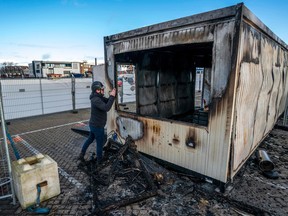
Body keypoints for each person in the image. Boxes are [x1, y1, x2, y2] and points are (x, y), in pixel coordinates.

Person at [78, 81, 116, 164]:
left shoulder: (98, 97)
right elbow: (106, 108)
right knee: (100, 144)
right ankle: (99, 161)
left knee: (90, 139)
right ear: (97, 90)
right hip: (97, 126)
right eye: (102, 89)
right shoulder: (96, 100)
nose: (103, 91)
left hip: (94, 124)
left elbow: (107, 101)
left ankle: (81, 154)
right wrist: (112, 96)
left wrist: (111, 96)